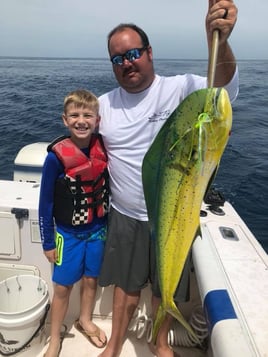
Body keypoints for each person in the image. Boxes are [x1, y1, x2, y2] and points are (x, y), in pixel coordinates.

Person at [98, 1, 238, 356]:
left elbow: (223, 88)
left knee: (167, 286)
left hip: (176, 217)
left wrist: (216, 42)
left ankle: (160, 342)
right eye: (118, 58)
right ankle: (115, 343)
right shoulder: (103, 106)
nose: (127, 62)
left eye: (133, 53)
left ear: (149, 52)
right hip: (127, 215)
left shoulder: (180, 88)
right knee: (126, 288)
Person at [39, 89, 109, 357]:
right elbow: (45, 203)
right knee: (63, 287)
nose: (82, 120)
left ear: (97, 120)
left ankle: (85, 320)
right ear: (65, 120)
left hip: (98, 230)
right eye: (75, 115)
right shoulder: (55, 158)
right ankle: (55, 337)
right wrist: (48, 241)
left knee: (91, 280)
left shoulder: (103, 147)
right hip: (67, 234)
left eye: (88, 115)